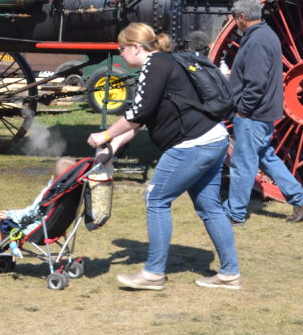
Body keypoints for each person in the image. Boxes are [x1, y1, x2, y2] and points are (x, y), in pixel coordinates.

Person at [86, 23, 241, 291]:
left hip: (193, 143)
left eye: (122, 48)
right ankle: (229, 274)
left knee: (156, 199)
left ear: (136, 47)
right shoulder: (164, 63)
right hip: (213, 138)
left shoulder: (155, 64)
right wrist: (112, 148)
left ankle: (153, 273)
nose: (120, 53)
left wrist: (105, 135)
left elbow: (137, 113)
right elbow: (139, 122)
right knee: (209, 207)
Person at [223, 0, 303, 225]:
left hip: (253, 114)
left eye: (234, 17)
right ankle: (300, 197)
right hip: (262, 112)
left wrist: (243, 110)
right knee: (266, 156)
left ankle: (235, 212)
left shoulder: (257, 41)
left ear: (242, 16)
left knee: (243, 163)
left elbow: (256, 83)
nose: (234, 22)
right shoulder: (265, 35)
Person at [0, 157, 76, 267]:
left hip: (39, 231)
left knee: (4, 223)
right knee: (10, 222)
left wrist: (10, 214)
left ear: (53, 177)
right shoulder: (72, 192)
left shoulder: (50, 193)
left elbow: (33, 212)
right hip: (57, 228)